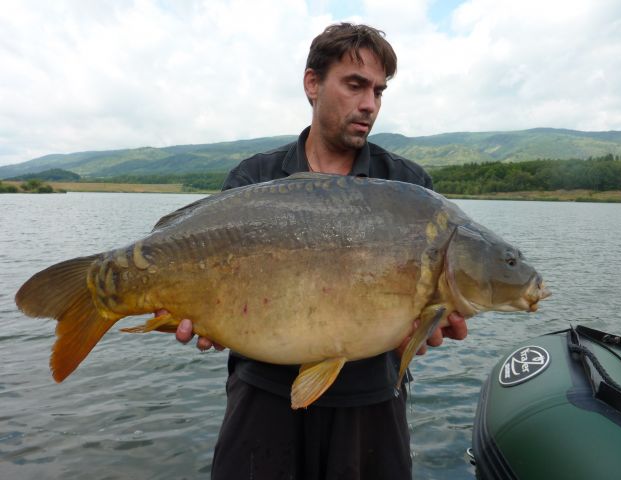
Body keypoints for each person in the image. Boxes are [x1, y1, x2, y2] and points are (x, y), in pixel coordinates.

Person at [169, 23, 468, 480]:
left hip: (372, 405)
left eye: (379, 91)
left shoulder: (410, 188)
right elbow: (210, 288)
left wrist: (424, 330)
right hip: (261, 397)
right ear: (312, 84)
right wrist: (203, 317)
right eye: (355, 85)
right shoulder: (255, 178)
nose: (369, 104)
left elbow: (423, 324)